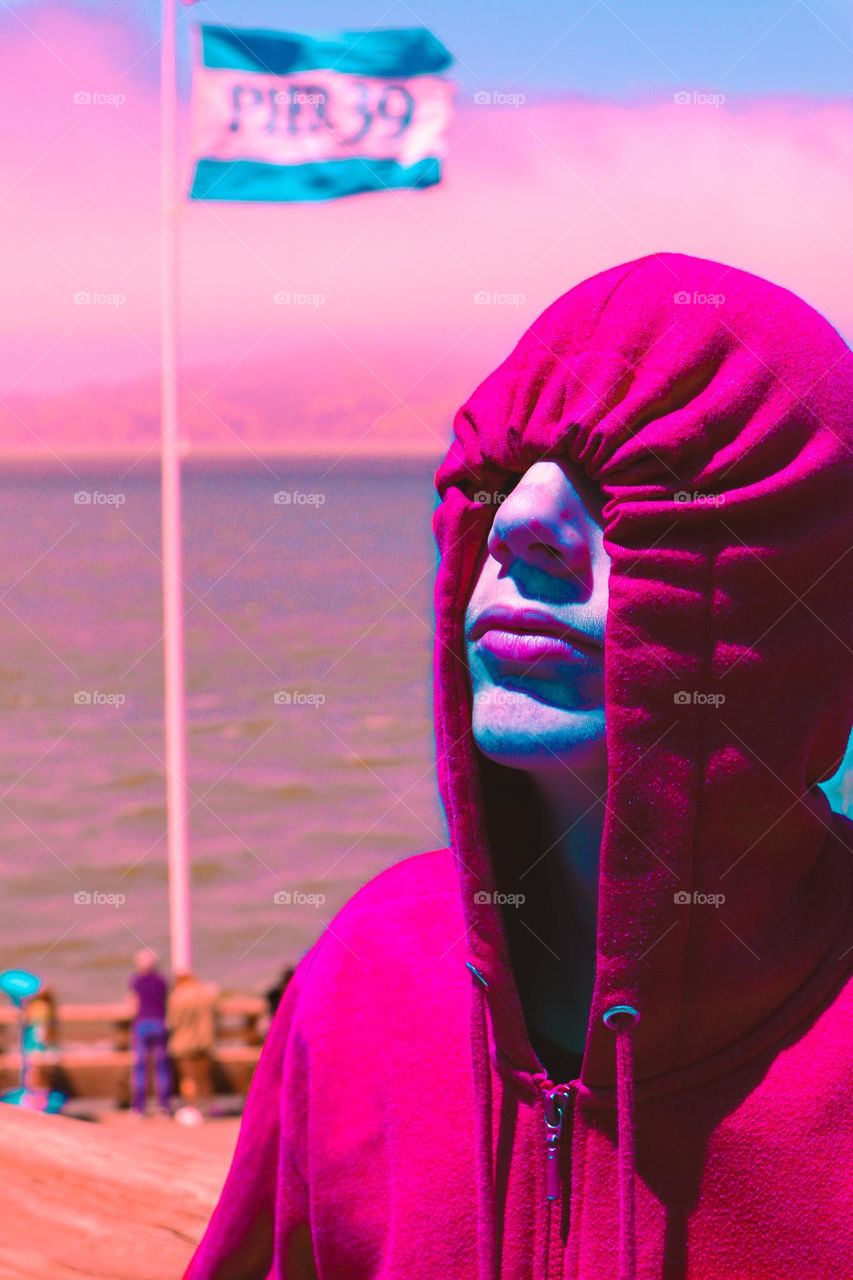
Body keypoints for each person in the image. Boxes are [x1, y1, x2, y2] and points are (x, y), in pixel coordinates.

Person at [185, 253, 853, 1279]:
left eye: (652, 480)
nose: (519, 522)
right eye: (502, 475)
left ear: (806, 596)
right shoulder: (369, 971)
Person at [167, 971, 219, 1126]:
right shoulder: (205, 994)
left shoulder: (177, 997)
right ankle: (208, 1108)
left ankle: (192, 1108)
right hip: (204, 1040)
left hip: (183, 1042)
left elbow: (172, 1022)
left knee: (188, 1078)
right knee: (204, 1077)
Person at [128, 948, 171, 1117]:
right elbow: (167, 1001)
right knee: (161, 1066)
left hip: (142, 1023)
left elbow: (132, 1004)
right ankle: (164, 1105)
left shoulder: (136, 981)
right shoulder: (162, 981)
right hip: (160, 1023)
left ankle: (139, 1107)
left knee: (140, 1067)